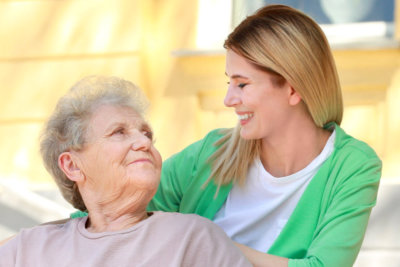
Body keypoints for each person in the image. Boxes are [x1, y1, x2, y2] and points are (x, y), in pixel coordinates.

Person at [147, 5, 382, 267]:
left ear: (293, 89)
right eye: (229, 83)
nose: (228, 100)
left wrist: (211, 242)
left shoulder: (352, 166)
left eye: (242, 84)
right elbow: (114, 213)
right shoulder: (211, 153)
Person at [0, 76, 251, 267]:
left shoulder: (195, 239)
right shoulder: (28, 249)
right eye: (119, 132)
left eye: (147, 134)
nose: (144, 143)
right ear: (73, 166)